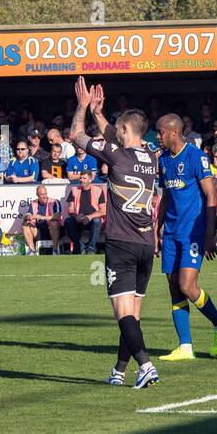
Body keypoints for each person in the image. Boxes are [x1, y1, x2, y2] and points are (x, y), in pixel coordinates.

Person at [70, 77, 160, 389]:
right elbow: (115, 136)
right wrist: (100, 113)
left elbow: (75, 136)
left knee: (123, 314)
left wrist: (83, 108)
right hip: (147, 243)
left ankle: (146, 365)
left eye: (118, 129)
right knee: (133, 314)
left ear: (124, 131)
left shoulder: (116, 155)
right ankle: (120, 370)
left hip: (121, 244)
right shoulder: (150, 155)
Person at [155, 113, 217, 363]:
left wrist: (210, 234)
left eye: (160, 132)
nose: (158, 137)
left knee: (187, 286)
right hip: (171, 232)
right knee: (173, 286)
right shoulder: (164, 159)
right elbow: (166, 196)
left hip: (193, 232)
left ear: (174, 133)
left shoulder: (196, 157)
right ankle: (185, 346)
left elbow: (212, 193)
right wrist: (158, 227)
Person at [20, 184, 63, 254]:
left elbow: (58, 216)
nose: (44, 196)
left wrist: (42, 217)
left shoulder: (55, 202)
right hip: (38, 231)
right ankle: (32, 251)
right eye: (42, 194)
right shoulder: (33, 203)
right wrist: (29, 217)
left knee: (54, 223)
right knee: (25, 225)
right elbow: (27, 214)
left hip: (53, 231)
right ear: (37, 194)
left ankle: (55, 250)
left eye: (45, 194)